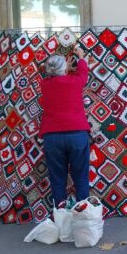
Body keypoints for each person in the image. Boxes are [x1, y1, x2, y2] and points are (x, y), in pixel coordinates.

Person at [40, 46, 91, 208]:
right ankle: (83, 216)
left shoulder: (45, 85)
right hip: (77, 135)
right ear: (65, 69)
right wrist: (81, 57)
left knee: (57, 179)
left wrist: (64, 68)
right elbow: (83, 73)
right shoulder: (75, 81)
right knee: (80, 177)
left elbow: (55, 77)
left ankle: (61, 218)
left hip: (52, 137)